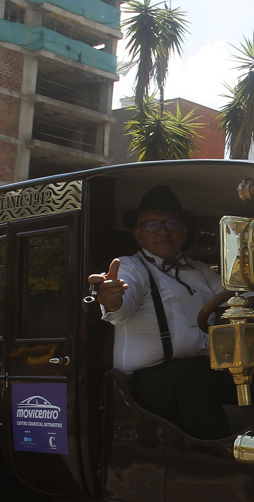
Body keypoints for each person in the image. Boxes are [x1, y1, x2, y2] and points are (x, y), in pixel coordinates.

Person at [87, 185, 236, 439]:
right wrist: (111, 300)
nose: (164, 231)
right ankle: (218, 455)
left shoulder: (199, 269)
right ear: (138, 234)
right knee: (190, 378)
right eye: (152, 225)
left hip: (204, 369)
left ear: (183, 231)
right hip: (147, 383)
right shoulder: (131, 268)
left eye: (171, 223)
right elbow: (121, 309)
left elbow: (234, 294)